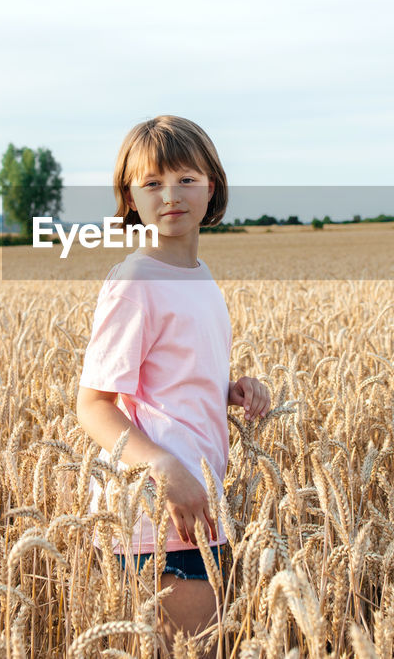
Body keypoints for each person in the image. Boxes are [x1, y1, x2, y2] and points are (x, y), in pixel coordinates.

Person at [76, 115, 271, 658]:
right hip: (157, 508)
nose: (171, 195)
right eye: (153, 182)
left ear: (213, 185)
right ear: (129, 196)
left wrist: (230, 387)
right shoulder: (136, 281)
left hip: (198, 499)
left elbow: (174, 374)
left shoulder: (198, 274)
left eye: (187, 179)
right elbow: (93, 404)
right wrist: (162, 468)